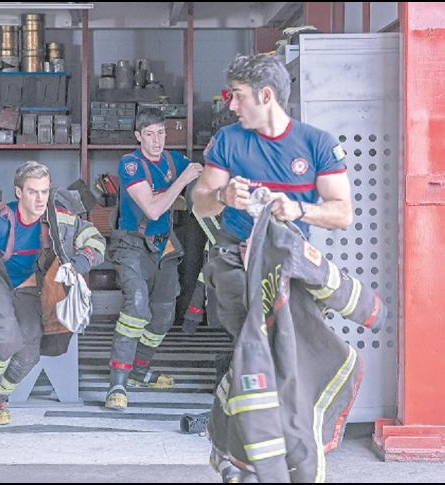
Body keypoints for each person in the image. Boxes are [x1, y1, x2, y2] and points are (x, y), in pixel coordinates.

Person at [191, 53, 353, 482]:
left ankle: (233, 453)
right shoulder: (228, 141)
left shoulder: (316, 143)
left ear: (266, 95)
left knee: (282, 366)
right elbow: (199, 199)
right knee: (261, 355)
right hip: (233, 263)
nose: (231, 105)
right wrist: (224, 198)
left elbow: (341, 213)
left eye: (238, 96)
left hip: (291, 266)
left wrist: (297, 209)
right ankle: (256, 460)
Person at [0, 161, 106, 426]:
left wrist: (80, 262)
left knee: (29, 352)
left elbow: (95, 239)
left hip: (26, 282)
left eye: (45, 191)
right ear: (18, 192)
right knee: (4, 335)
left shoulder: (59, 218)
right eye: (32, 192)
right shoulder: (0, 219)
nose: (40, 199)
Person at [104, 108, 204, 411]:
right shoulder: (131, 165)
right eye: (149, 134)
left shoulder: (174, 160)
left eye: (161, 132)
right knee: (136, 309)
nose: (157, 140)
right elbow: (154, 210)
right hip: (131, 246)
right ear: (138, 137)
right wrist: (183, 179)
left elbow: (208, 168)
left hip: (163, 247)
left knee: (162, 315)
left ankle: (138, 370)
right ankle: (116, 384)